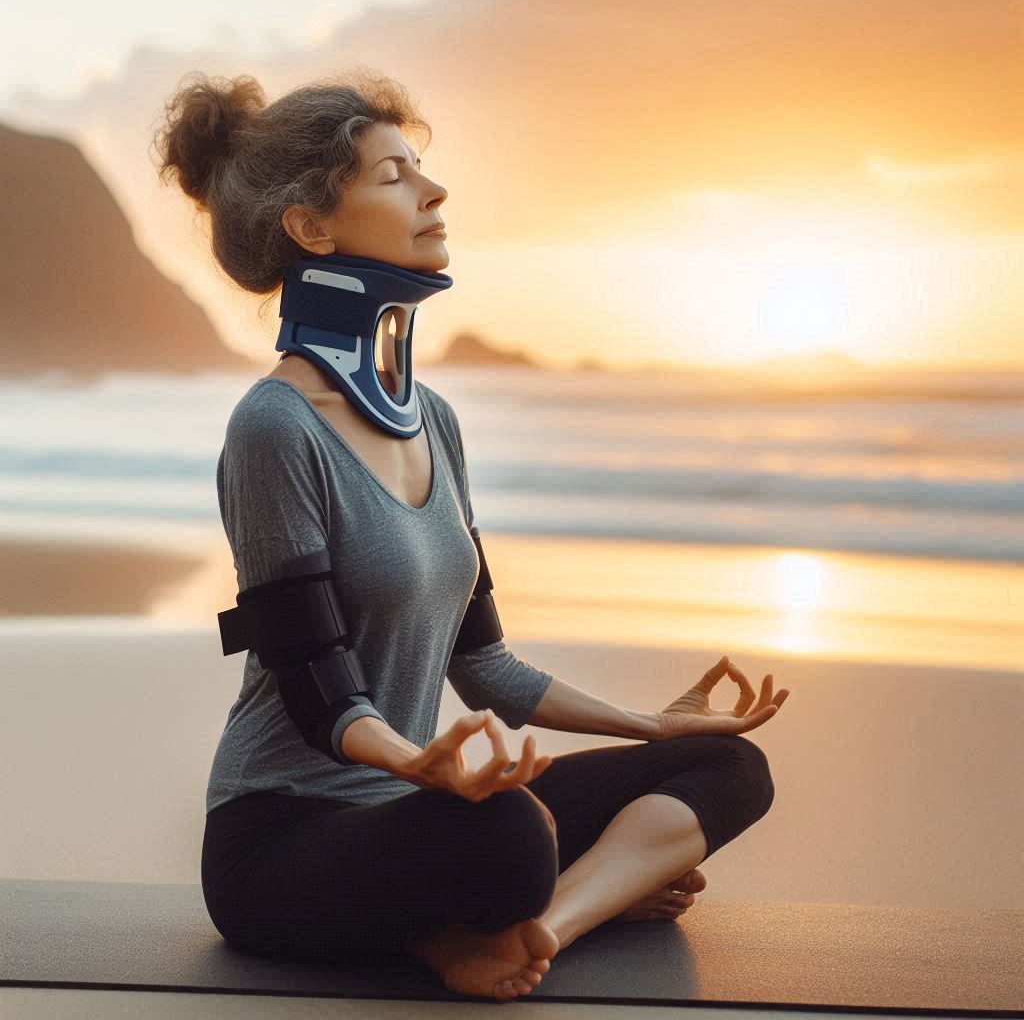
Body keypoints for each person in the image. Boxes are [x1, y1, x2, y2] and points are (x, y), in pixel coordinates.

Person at [153, 69, 790, 1003]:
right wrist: (423, 766)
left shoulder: (435, 422)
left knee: (728, 764)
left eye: (422, 169)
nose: (432, 190)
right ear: (311, 229)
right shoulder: (274, 427)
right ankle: (527, 906)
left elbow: (485, 670)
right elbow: (319, 684)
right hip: (281, 838)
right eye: (392, 175)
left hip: (413, 813)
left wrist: (651, 723)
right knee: (508, 833)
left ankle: (540, 930)